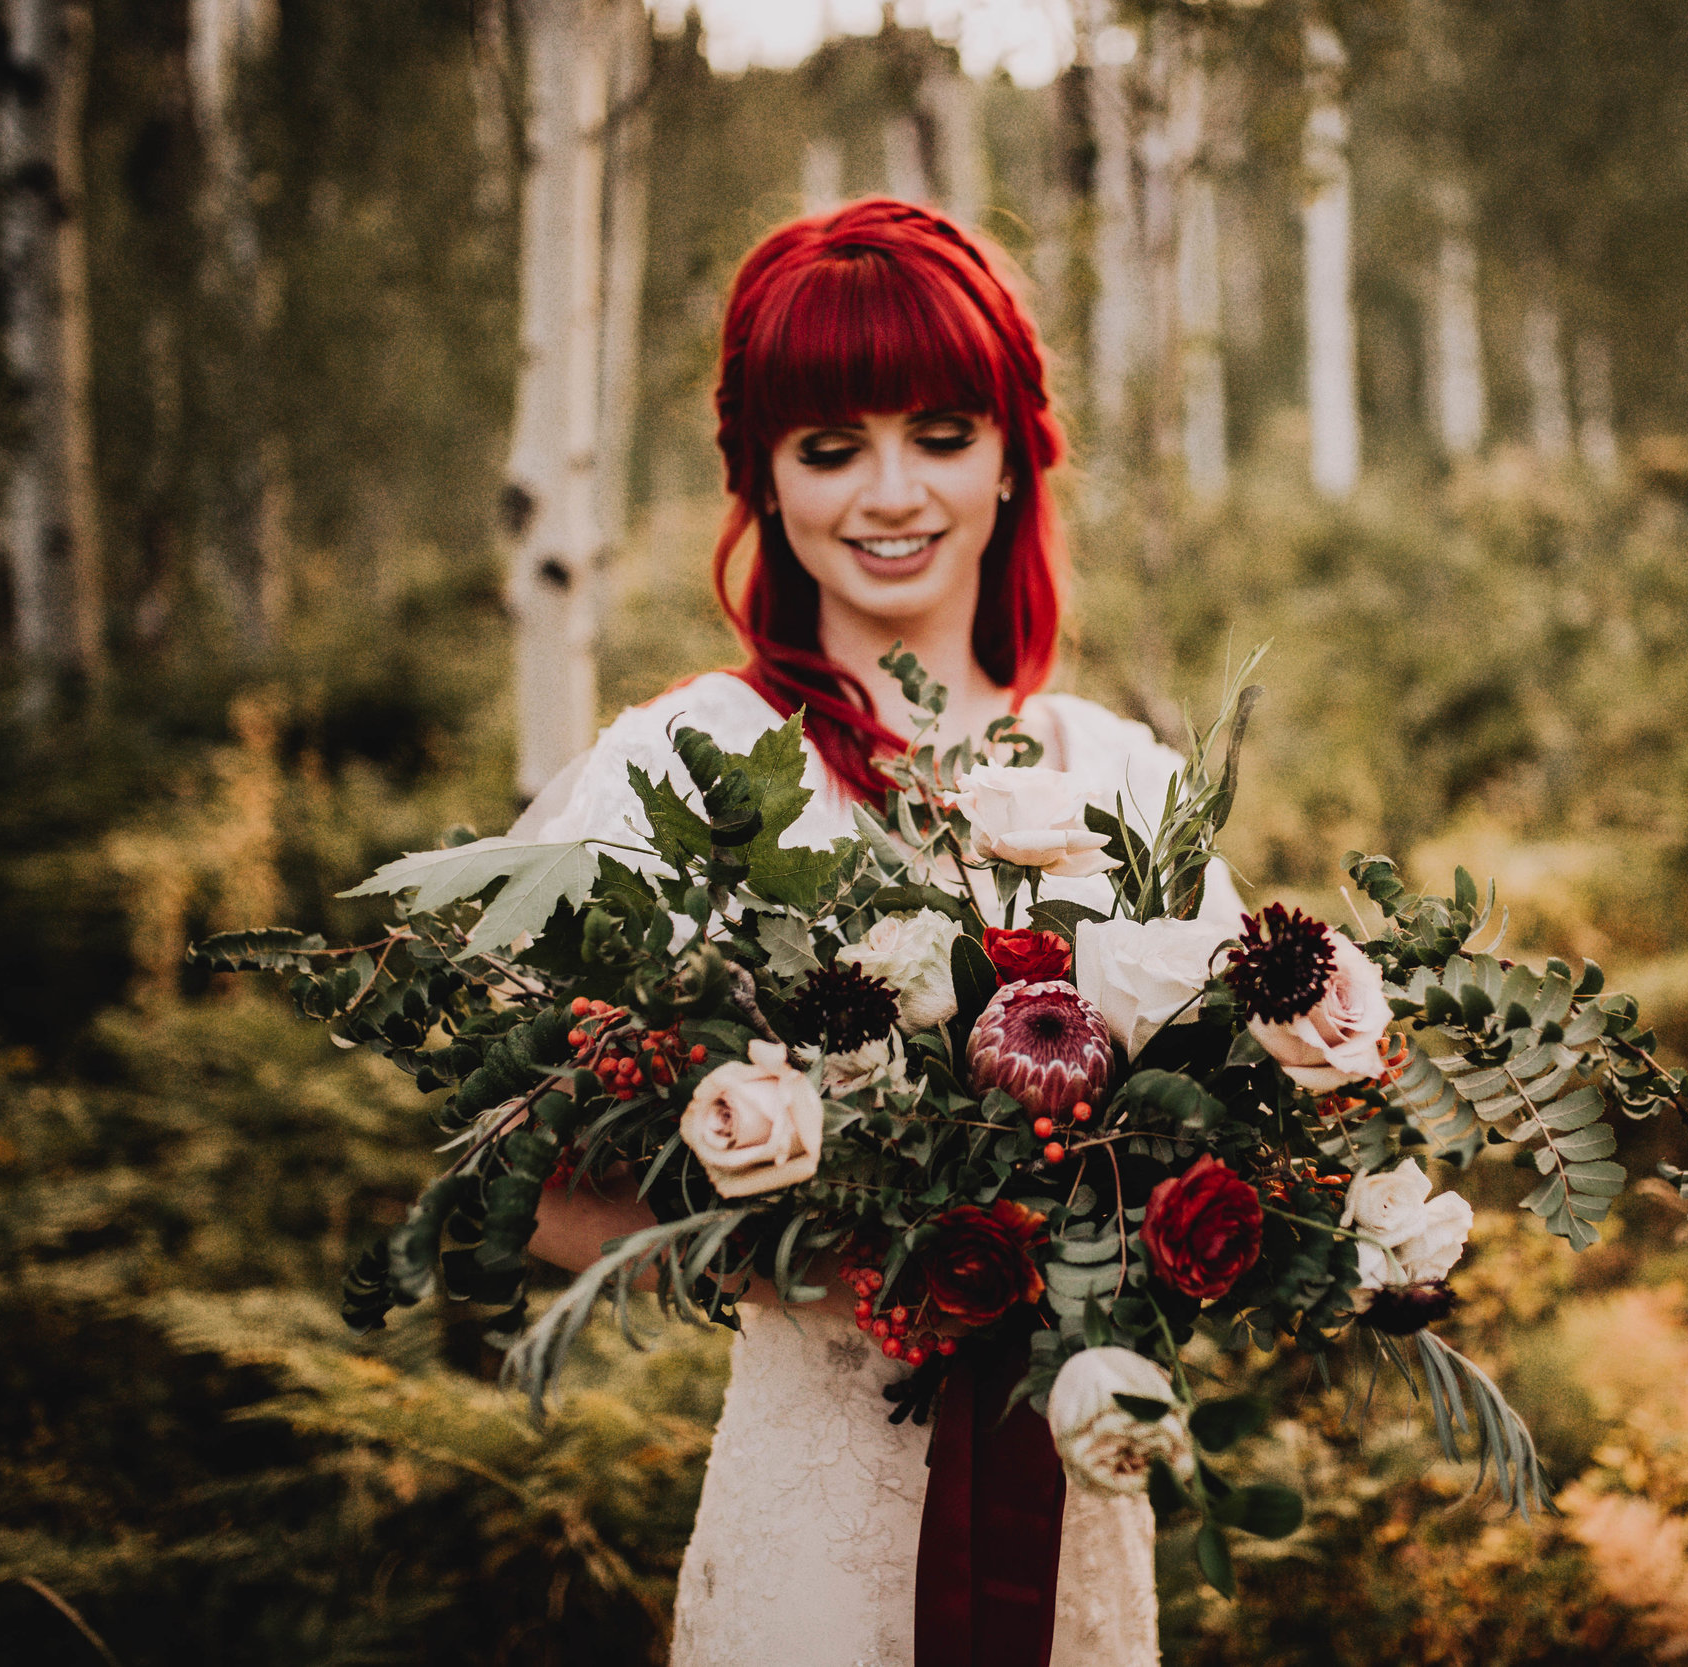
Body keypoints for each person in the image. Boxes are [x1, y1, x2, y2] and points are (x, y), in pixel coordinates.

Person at [515, 198, 1236, 1667]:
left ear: (1014, 453)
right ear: (763, 479)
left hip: (1077, 1509)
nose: (890, 493)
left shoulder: (1125, 778)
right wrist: (804, 1253)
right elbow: (527, 1169)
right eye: (830, 448)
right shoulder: (677, 767)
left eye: (940, 432)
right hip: (813, 1524)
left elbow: (1240, 1152)